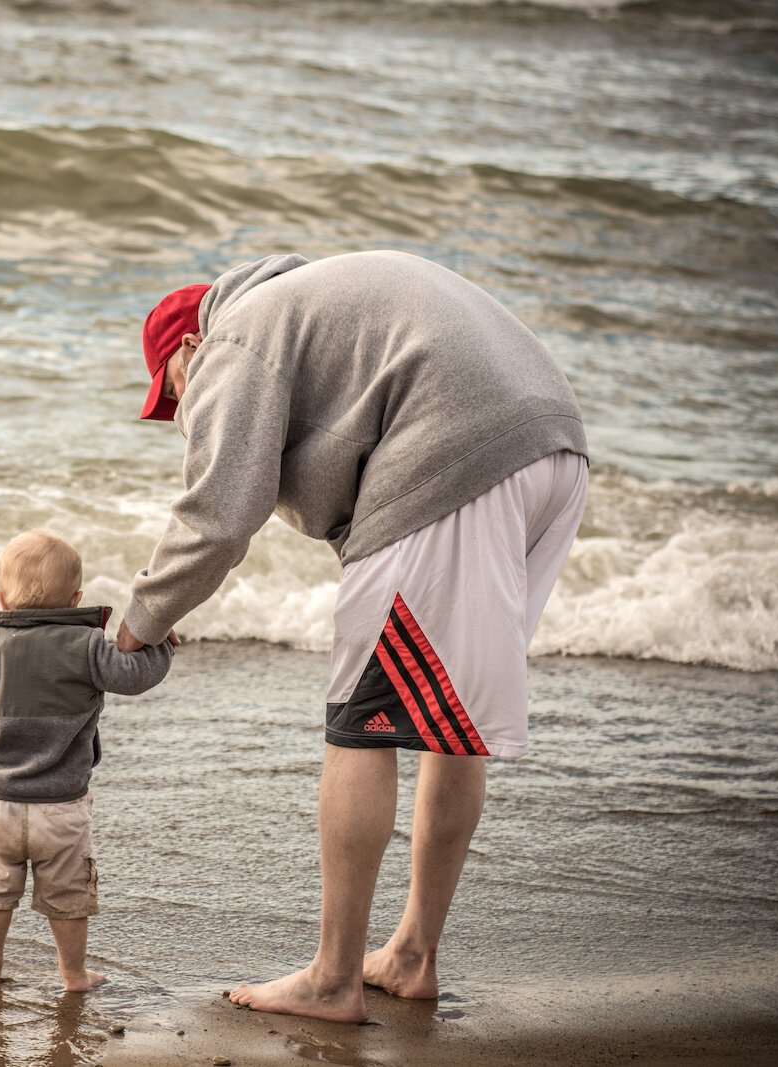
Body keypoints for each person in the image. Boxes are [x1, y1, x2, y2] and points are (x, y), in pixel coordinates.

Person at [118, 251, 588, 1022]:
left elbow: (218, 516)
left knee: (360, 722)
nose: (183, 414)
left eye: (174, 392)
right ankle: (410, 954)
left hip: (456, 452)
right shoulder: (310, 304)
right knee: (449, 720)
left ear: (188, 350)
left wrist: (138, 624)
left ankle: (333, 977)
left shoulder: (234, 340)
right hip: (554, 449)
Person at [0, 529, 175, 991]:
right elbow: (137, 675)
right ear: (76, 598)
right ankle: (73, 975)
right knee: (67, 896)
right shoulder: (88, 648)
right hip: (62, 807)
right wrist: (159, 640)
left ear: (1, 598)